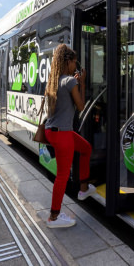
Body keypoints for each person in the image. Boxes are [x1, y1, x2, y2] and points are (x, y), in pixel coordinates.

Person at [44, 44, 96, 228]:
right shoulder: (70, 82)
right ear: (68, 62)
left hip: (52, 131)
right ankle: (54, 217)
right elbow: (81, 106)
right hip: (62, 133)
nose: (76, 65)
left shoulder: (54, 80)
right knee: (63, 175)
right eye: (74, 61)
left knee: (85, 148)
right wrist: (81, 83)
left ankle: (83, 189)